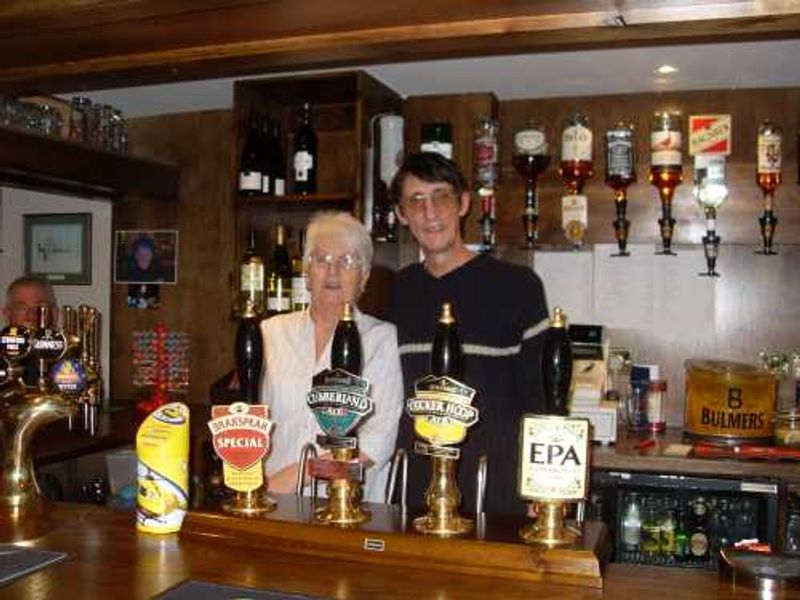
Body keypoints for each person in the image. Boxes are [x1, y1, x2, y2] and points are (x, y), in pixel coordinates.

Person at [388, 152, 550, 516]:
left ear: (463, 204)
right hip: (414, 486)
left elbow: (540, 397)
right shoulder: (394, 292)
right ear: (401, 214)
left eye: (441, 196)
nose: (430, 213)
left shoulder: (518, 286)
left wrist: (541, 485)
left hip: (496, 488)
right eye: (416, 200)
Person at [260, 212, 404, 503]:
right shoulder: (271, 332)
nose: (333, 272)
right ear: (306, 272)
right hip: (274, 507)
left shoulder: (382, 340)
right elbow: (258, 419)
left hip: (350, 509)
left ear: (364, 276)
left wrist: (299, 474)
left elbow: (377, 444)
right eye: (322, 260)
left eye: (347, 261)